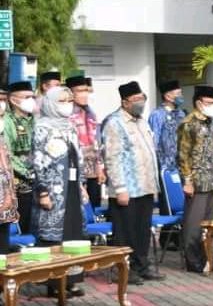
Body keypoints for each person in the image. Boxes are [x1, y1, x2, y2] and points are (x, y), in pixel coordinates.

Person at [102, 81, 165, 285]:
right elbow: (112, 157)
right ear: (125, 102)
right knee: (126, 232)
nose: (141, 103)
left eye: (142, 99)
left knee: (142, 231)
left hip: (145, 186)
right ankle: (124, 270)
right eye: (136, 100)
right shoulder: (115, 122)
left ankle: (141, 266)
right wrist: (120, 188)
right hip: (127, 188)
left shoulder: (142, 121)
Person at [32, 86, 87, 298]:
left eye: (69, 101)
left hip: (71, 189)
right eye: (62, 101)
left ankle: (71, 280)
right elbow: (38, 163)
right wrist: (43, 191)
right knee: (53, 236)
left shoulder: (70, 127)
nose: (67, 105)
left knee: (74, 233)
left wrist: (81, 185)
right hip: (53, 191)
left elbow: (77, 158)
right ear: (51, 104)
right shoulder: (42, 128)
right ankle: (54, 283)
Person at [177, 85, 213, 273]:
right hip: (197, 180)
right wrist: (187, 180)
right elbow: (183, 154)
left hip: (212, 178)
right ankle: (192, 259)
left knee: (208, 224)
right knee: (194, 224)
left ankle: (207, 257)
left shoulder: (210, 121)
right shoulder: (189, 123)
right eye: (210, 102)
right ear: (199, 102)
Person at [66, 76, 106, 208]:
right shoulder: (67, 115)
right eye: (79, 90)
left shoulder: (90, 113)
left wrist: (100, 168)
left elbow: (97, 143)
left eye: (85, 90)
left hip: (93, 169)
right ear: (71, 93)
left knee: (94, 204)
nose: (84, 94)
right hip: (76, 169)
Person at [4, 81, 36, 234]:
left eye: (32, 97)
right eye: (26, 97)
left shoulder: (34, 120)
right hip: (20, 184)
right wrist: (27, 172)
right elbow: (8, 154)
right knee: (22, 225)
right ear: (13, 99)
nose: (31, 100)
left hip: (37, 182)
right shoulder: (9, 122)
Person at [148, 80, 185, 173]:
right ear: (168, 96)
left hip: (182, 164)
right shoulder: (157, 114)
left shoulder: (181, 113)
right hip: (165, 166)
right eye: (178, 94)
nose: (181, 96)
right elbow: (154, 141)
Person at [0, 87, 19, 255]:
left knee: (3, 253)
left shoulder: (2, 136)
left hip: (5, 208)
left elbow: (8, 171)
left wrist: (13, 203)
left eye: (3, 100)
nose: (1, 105)